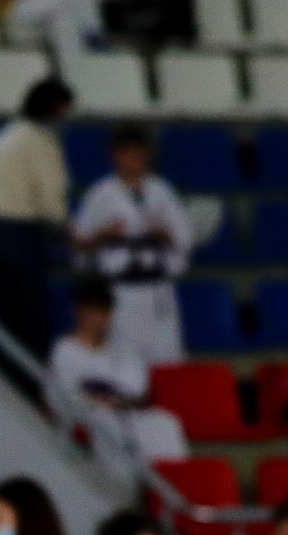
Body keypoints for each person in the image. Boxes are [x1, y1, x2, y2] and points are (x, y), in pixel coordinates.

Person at [0, 77, 74, 361]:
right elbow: (51, 199)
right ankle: (33, 390)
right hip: (20, 234)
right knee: (33, 315)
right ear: (54, 108)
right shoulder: (40, 141)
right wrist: (67, 228)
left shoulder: (3, 137)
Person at [69, 125, 190, 366]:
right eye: (128, 153)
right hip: (121, 290)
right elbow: (79, 244)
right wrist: (103, 235)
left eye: (140, 153)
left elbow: (184, 239)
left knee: (166, 356)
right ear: (115, 156)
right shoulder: (101, 194)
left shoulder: (161, 191)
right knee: (125, 357)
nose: (135, 160)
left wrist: (164, 233)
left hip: (157, 288)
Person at [48, 276, 191, 471]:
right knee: (106, 423)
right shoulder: (64, 350)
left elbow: (137, 392)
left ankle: (170, 491)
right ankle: (121, 492)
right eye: (90, 310)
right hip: (85, 414)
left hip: (124, 411)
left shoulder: (123, 350)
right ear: (78, 311)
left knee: (165, 423)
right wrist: (97, 402)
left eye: (102, 310)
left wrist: (118, 401)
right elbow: (59, 396)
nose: (96, 317)